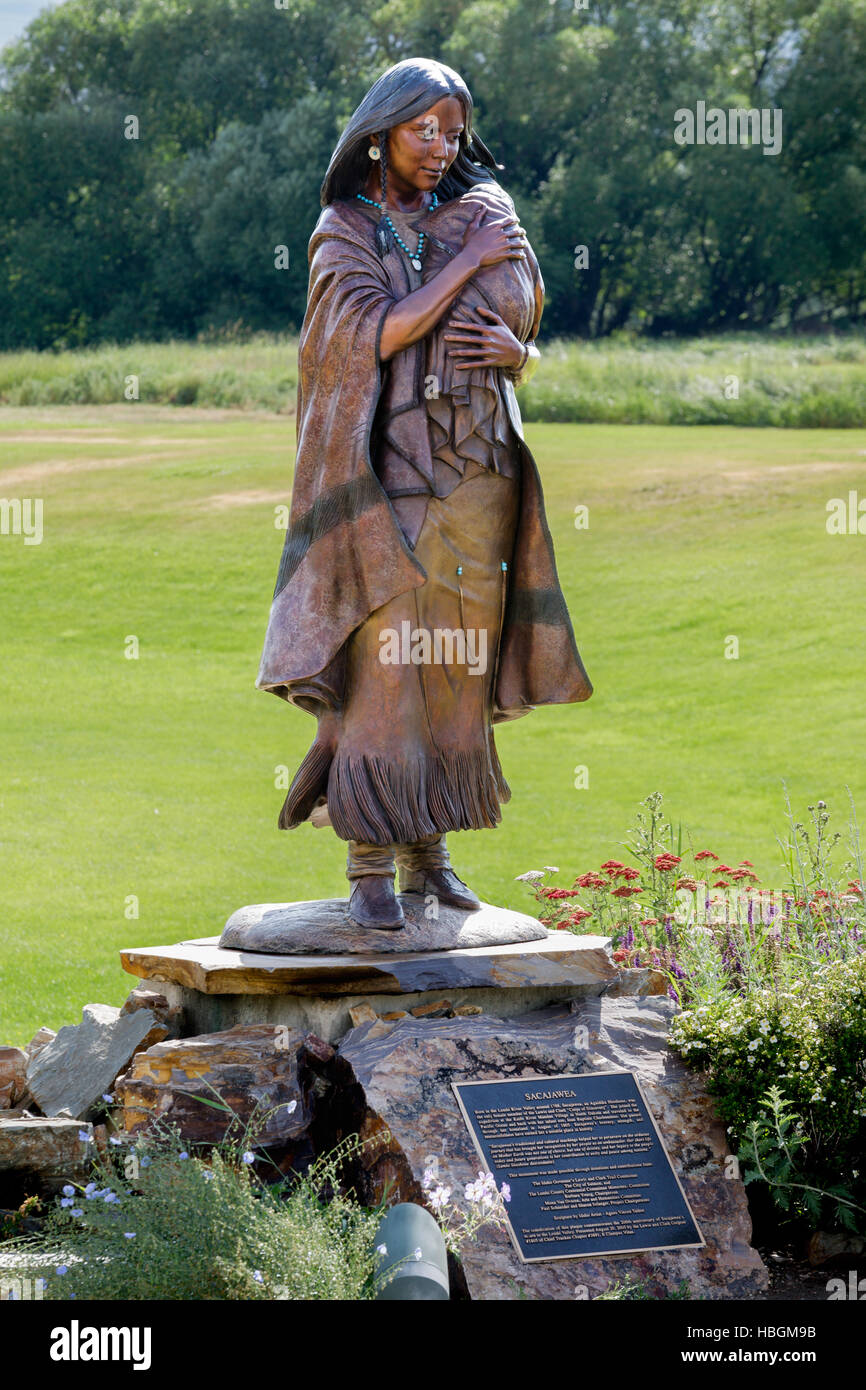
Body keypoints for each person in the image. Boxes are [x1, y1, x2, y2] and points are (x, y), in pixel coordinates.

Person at [257, 57, 592, 930]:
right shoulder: (344, 228)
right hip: (393, 482)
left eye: (452, 131)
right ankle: (368, 862)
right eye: (424, 130)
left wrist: (522, 357)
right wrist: (467, 264)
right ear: (380, 130)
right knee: (387, 670)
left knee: (456, 671)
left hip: (481, 475)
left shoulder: (478, 211)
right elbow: (369, 335)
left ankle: (428, 857)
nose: (442, 147)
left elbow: (521, 327)